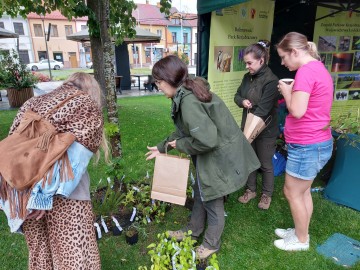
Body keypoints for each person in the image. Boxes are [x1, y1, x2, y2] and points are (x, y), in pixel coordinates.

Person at [146, 55, 260, 260]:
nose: (158, 87)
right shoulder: (187, 91)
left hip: (218, 155)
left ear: (168, 80)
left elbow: (206, 140)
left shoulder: (188, 101)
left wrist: (178, 145)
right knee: (201, 191)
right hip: (214, 152)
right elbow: (187, 130)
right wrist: (163, 146)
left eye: (158, 82)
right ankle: (193, 231)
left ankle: (210, 244)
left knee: (213, 199)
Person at [0, 72, 109, 269]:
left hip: (24, 192)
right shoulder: (87, 105)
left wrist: (28, 197)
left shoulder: (33, 102)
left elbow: (14, 148)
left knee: (40, 256)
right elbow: (77, 158)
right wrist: (42, 197)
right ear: (91, 91)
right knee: (74, 257)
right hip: (66, 195)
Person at [274, 32, 333, 251]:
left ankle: (301, 240)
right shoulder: (317, 67)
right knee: (303, 191)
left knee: (292, 192)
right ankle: (302, 232)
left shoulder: (306, 72)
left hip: (308, 145)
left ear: (295, 52)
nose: (282, 62)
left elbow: (297, 110)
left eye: (284, 57)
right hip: (315, 142)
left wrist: (287, 92)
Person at [234, 41, 279, 210]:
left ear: (261, 60)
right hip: (248, 126)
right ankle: (250, 190)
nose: (247, 66)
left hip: (266, 130)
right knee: (250, 160)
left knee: (265, 163)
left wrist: (247, 133)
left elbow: (264, 109)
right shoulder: (247, 77)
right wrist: (242, 101)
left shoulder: (271, 81)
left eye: (249, 63)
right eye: (246, 62)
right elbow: (237, 95)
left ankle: (266, 194)